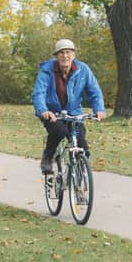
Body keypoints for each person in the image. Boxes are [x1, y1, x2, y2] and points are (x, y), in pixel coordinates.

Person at [32, 39, 106, 174]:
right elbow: (39, 93)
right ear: (56, 56)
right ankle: (48, 157)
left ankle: (78, 175)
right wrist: (43, 110)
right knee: (59, 131)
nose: (65, 56)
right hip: (52, 112)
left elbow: (94, 91)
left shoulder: (83, 70)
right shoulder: (46, 70)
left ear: (74, 55)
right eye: (61, 53)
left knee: (82, 145)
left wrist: (99, 109)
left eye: (68, 52)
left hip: (74, 113)